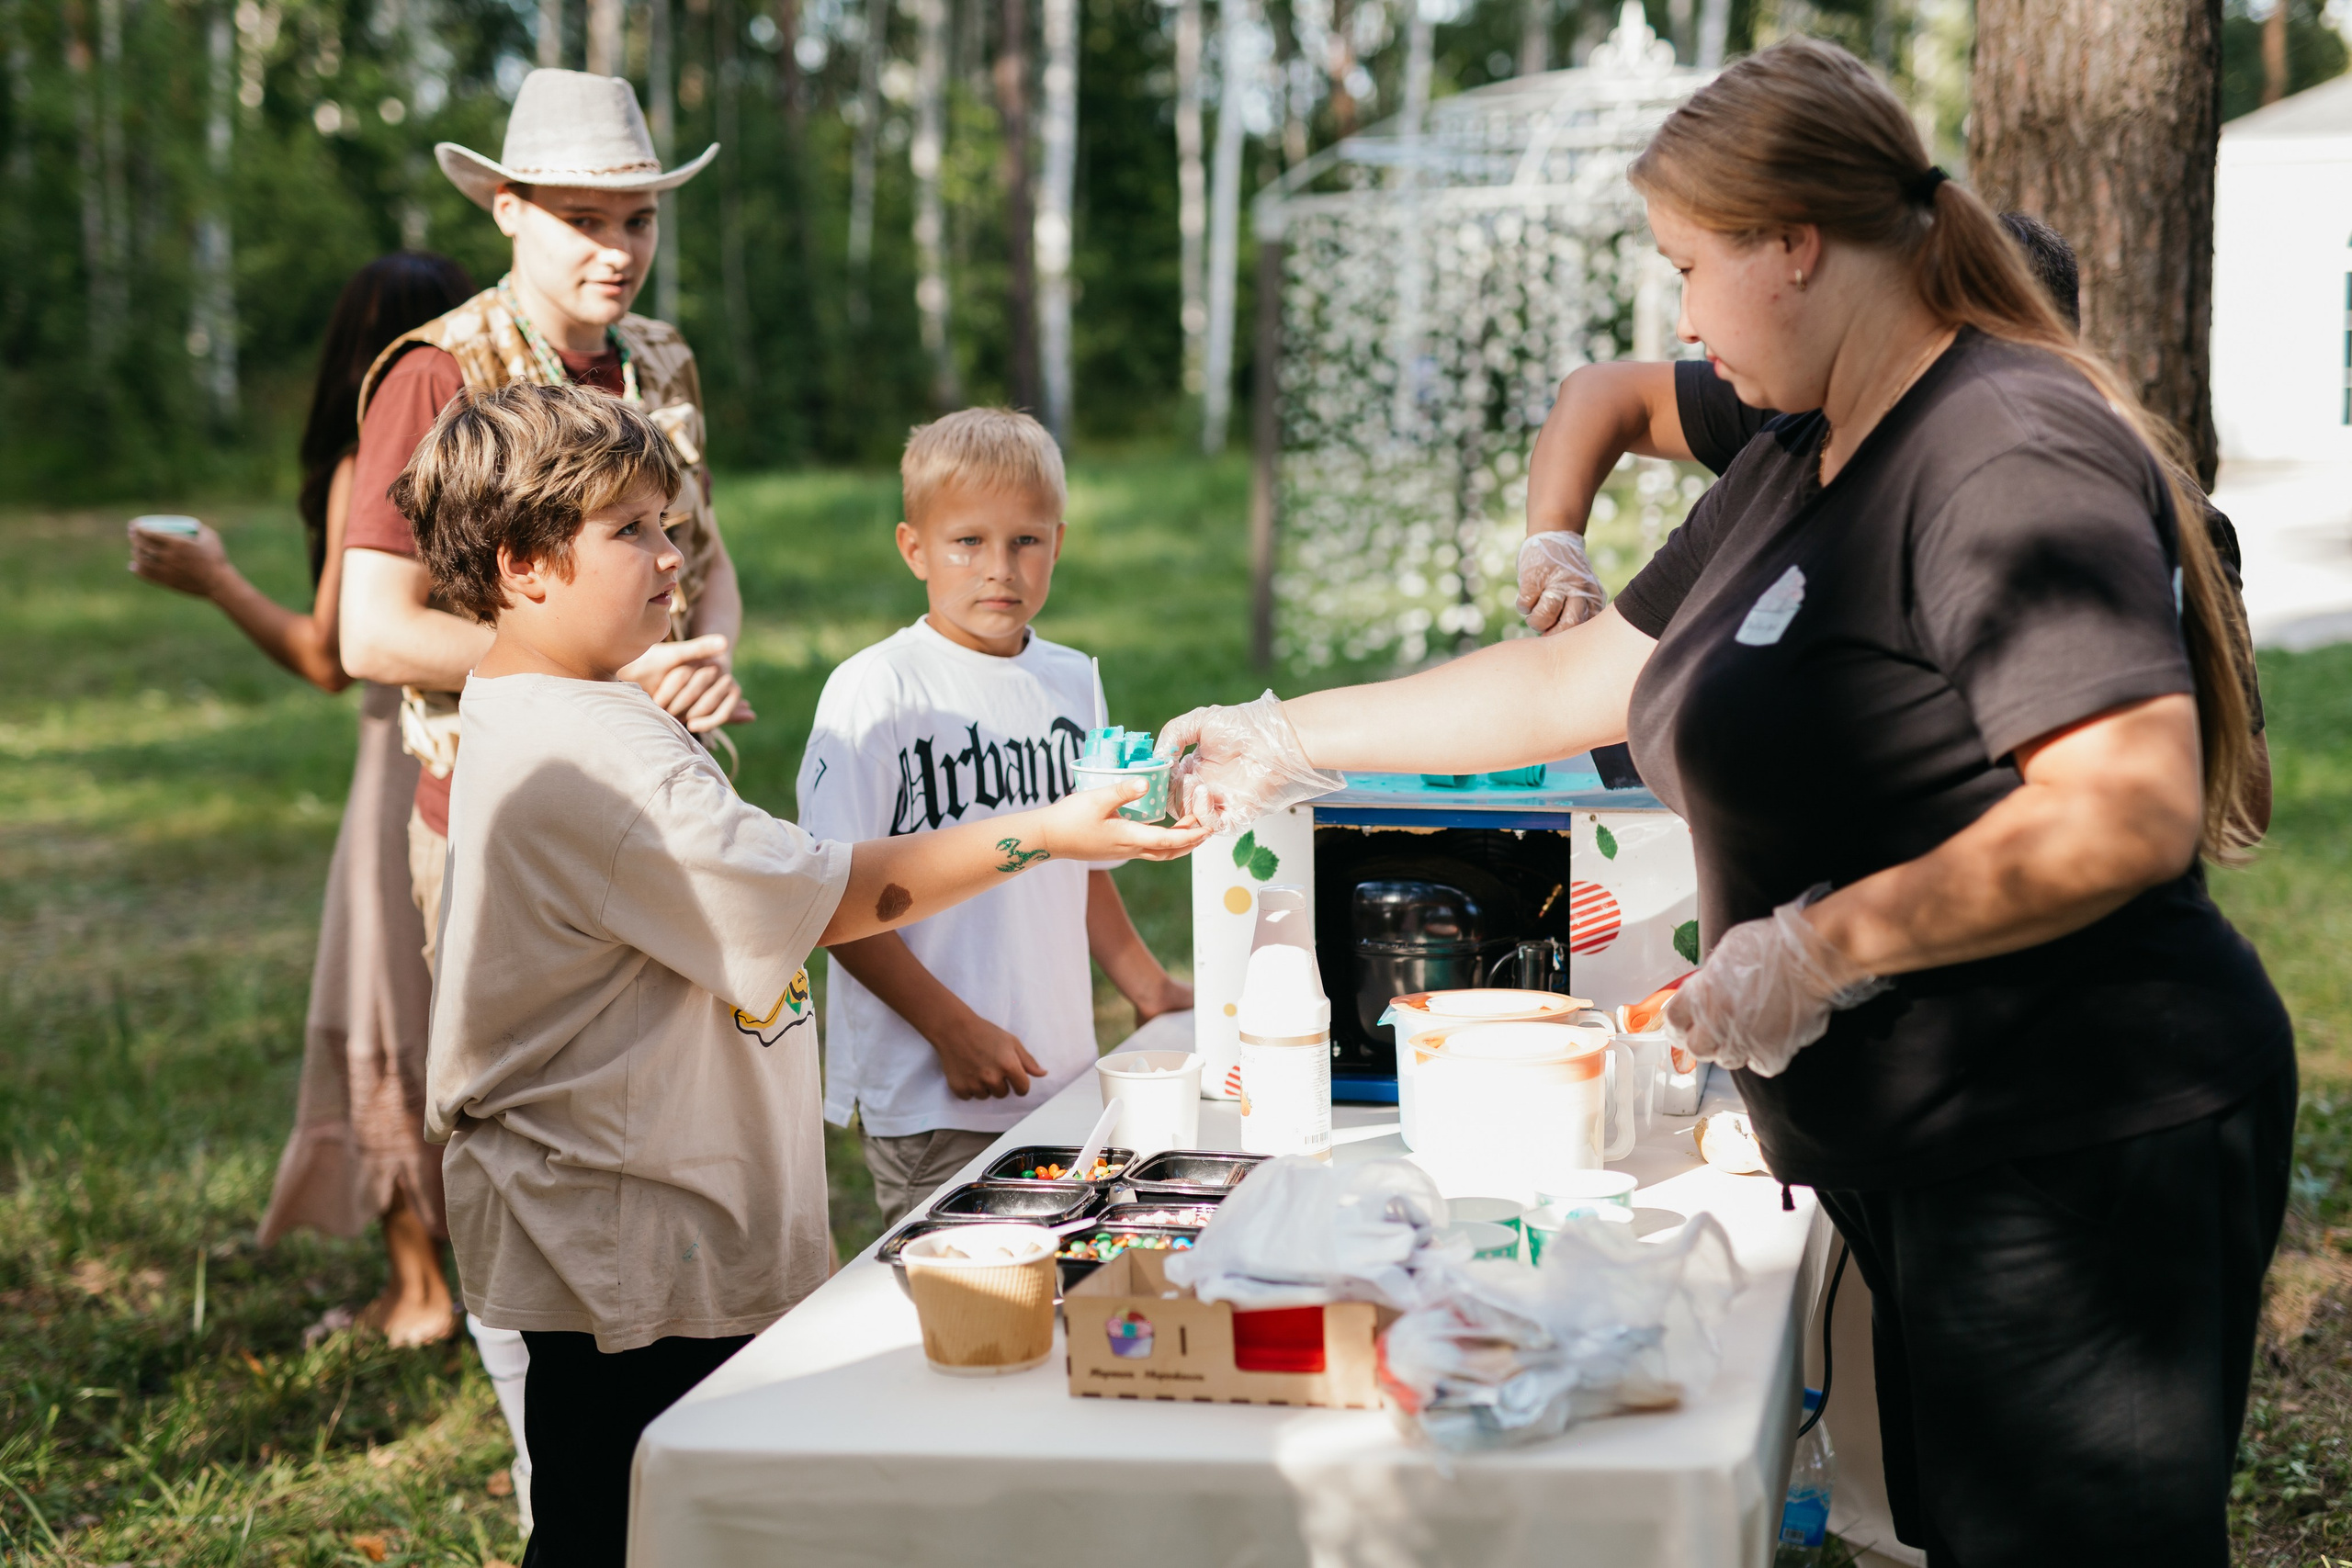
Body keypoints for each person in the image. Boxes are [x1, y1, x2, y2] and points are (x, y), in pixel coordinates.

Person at [1159, 39, 2290, 1566]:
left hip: (2077, 1139)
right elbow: (1575, 682)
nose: (1678, 320)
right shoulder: (1802, 450)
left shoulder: (2002, 443)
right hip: (1934, 1141)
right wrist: (1285, 735)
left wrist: (1823, 943)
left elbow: (2125, 808)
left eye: (1690, 268)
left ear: (1796, 248)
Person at [397, 382, 1204, 1567]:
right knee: (619, 1521)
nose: (675, 560)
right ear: (524, 565)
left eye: (670, 526)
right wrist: (1045, 830)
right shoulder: (595, 752)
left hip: (635, 1219)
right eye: (632, 532)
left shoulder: (563, 705)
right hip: (625, 1236)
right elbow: (823, 893)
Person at [334, 67, 744, 1505]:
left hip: (675, 805)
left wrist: (701, 660)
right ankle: (550, 1473)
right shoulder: (435, 371)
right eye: (579, 217)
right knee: (538, 1158)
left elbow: (710, 558)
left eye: (635, 217)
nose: (613, 248)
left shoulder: (663, 359)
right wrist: (592, 675)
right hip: (507, 825)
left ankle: (675, 1472)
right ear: (504, 209)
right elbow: (371, 629)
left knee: (675, 1143)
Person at [1519, 209, 2273, 830]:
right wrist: (1553, 543)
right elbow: (1603, 396)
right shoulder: (1808, 420)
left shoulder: (2131, 513)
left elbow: (2237, 801)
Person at [128, 253, 477, 1348]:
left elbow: (337, 658)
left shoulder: (364, 461)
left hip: (403, 753)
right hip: (501, 745)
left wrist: (217, 582)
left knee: (384, 1001)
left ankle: (418, 1291)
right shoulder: (501, 452)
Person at [795, 409, 1195, 1227]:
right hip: (936, 1084)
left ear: (1058, 541)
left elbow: (1078, 862)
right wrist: (953, 1028)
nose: (998, 569)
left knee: (1059, 1283)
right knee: (957, 1306)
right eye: (967, 542)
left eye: (1026, 541)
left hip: (1059, 1071)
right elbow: (827, 902)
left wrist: (1150, 989)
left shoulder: (1073, 680)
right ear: (914, 549)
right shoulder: (879, 692)